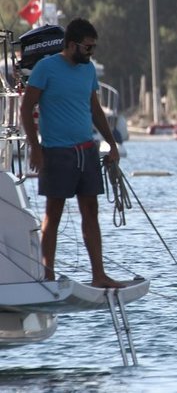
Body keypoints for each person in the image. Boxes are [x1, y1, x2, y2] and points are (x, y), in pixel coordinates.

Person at [19, 18, 124, 288]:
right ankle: (48, 276)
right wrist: (35, 149)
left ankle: (99, 275)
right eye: (88, 47)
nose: (91, 52)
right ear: (72, 44)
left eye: (94, 47)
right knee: (53, 214)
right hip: (56, 152)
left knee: (91, 211)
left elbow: (95, 109)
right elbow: (26, 108)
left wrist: (111, 144)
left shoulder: (88, 71)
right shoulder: (45, 68)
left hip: (86, 151)